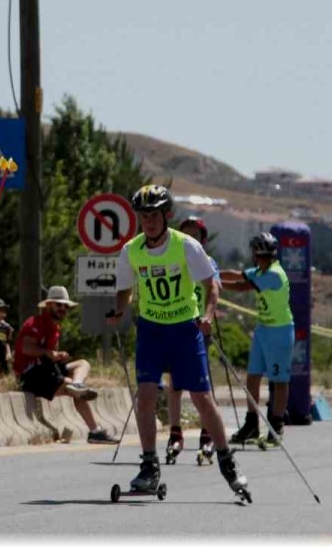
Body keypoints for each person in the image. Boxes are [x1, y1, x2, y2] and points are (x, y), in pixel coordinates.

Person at [108, 185, 247, 497]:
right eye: (144, 216)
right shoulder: (132, 250)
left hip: (186, 328)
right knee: (144, 396)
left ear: (166, 215)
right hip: (151, 330)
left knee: (201, 398)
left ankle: (227, 460)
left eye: (154, 215)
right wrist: (119, 310)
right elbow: (124, 288)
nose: (149, 222)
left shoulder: (186, 246)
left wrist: (209, 316)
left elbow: (212, 286)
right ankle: (148, 466)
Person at [13, 286, 117, 444]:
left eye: (65, 306)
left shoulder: (55, 328)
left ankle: (78, 385)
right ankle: (95, 430)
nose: (63, 308)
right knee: (74, 389)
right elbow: (26, 348)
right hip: (31, 374)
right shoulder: (34, 323)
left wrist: (59, 357)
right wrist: (48, 353)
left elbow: (50, 355)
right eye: (58, 304)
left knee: (83, 364)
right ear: (49, 305)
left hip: (47, 370)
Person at [220, 232, 294, 447]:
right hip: (263, 330)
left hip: (279, 331)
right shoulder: (262, 269)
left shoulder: (274, 274)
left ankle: (277, 424)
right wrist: (211, 273)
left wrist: (214, 284)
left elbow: (243, 286)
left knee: (279, 381)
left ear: (257, 254)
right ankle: (252, 423)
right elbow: (238, 275)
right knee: (252, 377)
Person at [163, 216, 219, 461]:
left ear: (202, 240)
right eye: (185, 234)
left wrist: (207, 316)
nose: (190, 239)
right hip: (174, 325)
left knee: (201, 386)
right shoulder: (172, 257)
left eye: (195, 235)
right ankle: (175, 434)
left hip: (197, 327)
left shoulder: (206, 261)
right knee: (174, 384)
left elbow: (214, 287)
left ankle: (208, 436)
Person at [0, 298, 14, 375]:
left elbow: (7, 342)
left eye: (3, 310)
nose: (1, 313)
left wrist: (8, 353)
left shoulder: (7, 327)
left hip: (2, 357)